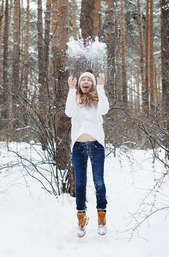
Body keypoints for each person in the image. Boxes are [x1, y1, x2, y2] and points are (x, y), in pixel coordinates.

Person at [65, 69, 109, 237]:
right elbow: (69, 112)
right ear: (79, 84)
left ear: (92, 84)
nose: (85, 81)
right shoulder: (75, 99)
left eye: (88, 80)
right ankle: (81, 220)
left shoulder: (98, 100)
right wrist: (70, 90)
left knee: (98, 182)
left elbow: (104, 110)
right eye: (82, 79)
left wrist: (102, 87)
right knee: (80, 184)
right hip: (78, 147)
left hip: (96, 146)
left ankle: (101, 218)